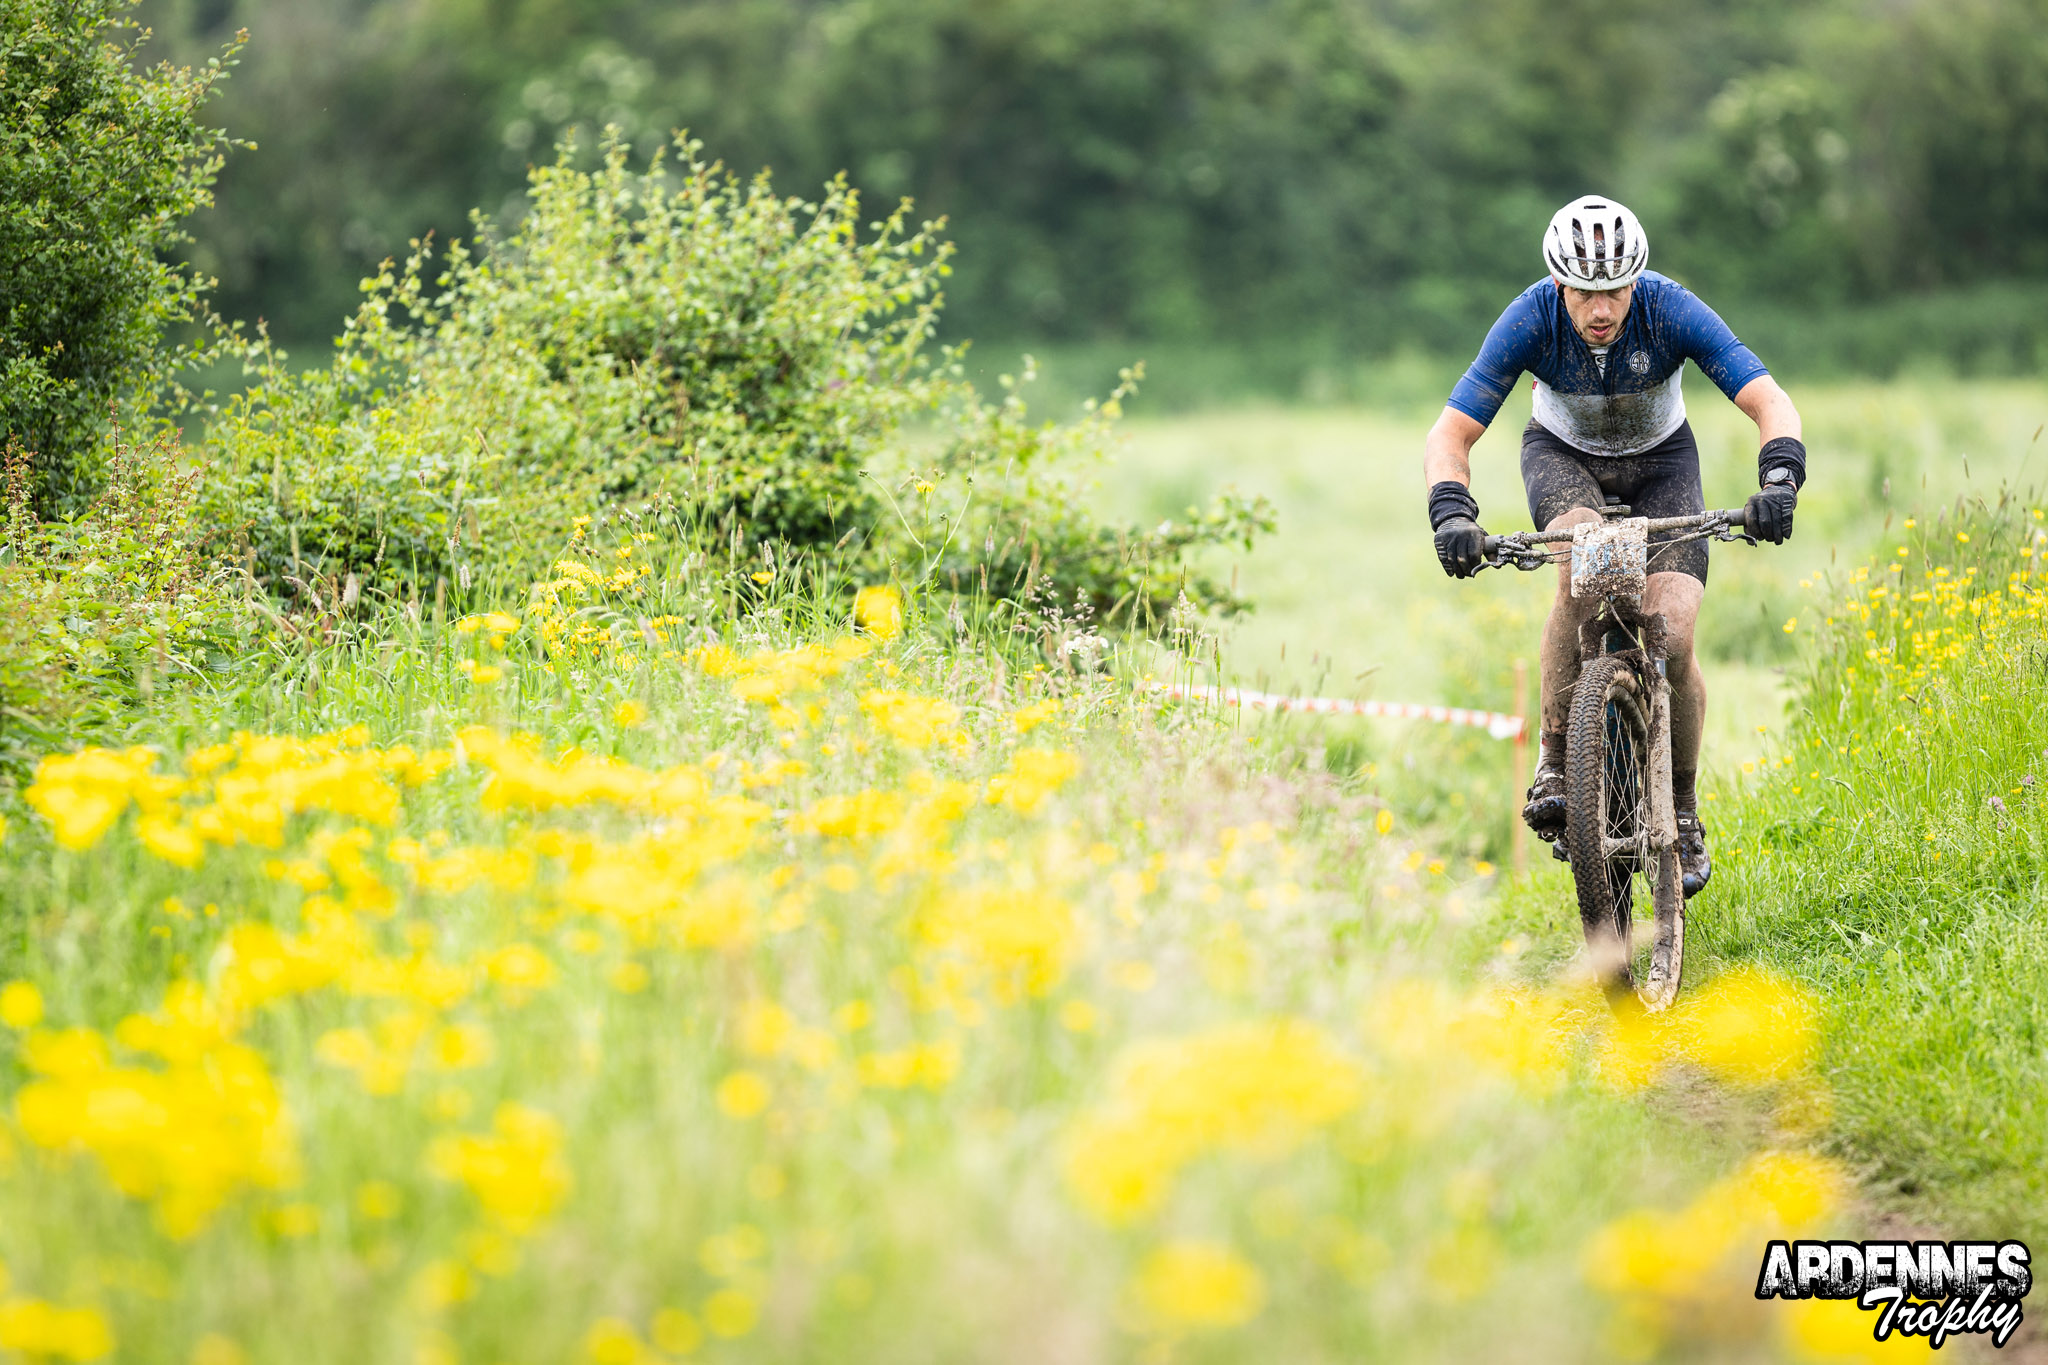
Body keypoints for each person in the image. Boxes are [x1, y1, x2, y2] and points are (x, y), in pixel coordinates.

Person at [1420, 195, 1804, 897]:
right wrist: (1451, 510)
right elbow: (1451, 432)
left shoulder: (1670, 309)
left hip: (1664, 465)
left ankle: (1680, 807)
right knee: (1586, 565)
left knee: (1674, 634)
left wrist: (1779, 478)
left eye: (1616, 291)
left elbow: (1769, 398)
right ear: (1558, 284)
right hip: (1562, 458)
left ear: (1636, 281)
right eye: (1584, 293)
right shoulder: (1529, 318)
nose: (1601, 310)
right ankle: (1556, 757)